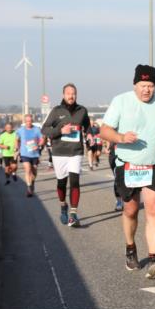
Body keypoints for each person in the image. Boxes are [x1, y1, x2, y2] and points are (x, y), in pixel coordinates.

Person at [100, 65, 155, 278]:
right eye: (143, 86)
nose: (146, 90)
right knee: (131, 211)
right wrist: (121, 138)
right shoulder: (120, 101)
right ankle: (130, 247)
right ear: (135, 85)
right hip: (128, 165)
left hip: (154, 165)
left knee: (154, 209)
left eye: (151, 86)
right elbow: (104, 131)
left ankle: (154, 259)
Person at [42, 83, 91, 228]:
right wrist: (60, 131)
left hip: (76, 152)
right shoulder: (56, 111)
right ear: (63, 95)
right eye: (68, 93)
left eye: (74, 93)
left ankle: (73, 214)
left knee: (75, 181)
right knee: (61, 183)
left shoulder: (82, 110)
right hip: (59, 152)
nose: (71, 96)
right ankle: (63, 205)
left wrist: (89, 135)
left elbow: (87, 126)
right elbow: (44, 130)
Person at [16, 113, 45, 198]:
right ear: (25, 122)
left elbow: (42, 140)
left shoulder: (36, 129)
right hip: (25, 153)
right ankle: (29, 188)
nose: (29, 122)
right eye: (27, 121)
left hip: (35, 154)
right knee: (27, 169)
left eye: (30, 121)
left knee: (34, 171)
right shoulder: (20, 130)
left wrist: (39, 145)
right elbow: (17, 140)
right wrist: (17, 149)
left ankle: (32, 183)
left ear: (32, 121)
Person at [106, 139, 123, 211]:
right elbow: (107, 135)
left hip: (129, 152)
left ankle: (130, 200)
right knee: (117, 178)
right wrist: (107, 147)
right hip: (114, 154)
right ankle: (119, 201)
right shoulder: (114, 127)